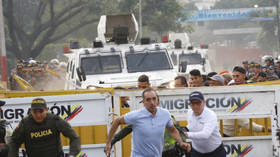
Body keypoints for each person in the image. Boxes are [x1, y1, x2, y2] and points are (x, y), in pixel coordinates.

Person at [105, 88, 190, 157]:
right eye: (148, 100)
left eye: (154, 99)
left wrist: (181, 142)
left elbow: (172, 130)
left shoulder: (165, 114)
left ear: (157, 100)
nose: (152, 103)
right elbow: (117, 121)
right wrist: (109, 142)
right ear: (143, 102)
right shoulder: (136, 116)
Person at [8, 98, 81, 157]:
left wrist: (72, 154)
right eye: (35, 112)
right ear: (31, 111)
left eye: (41, 111)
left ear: (46, 109)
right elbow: (14, 142)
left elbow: (75, 137)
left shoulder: (55, 120)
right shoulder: (25, 123)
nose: (38, 115)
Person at [185, 91, 226, 157]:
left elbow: (205, 134)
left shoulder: (211, 115)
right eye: (192, 103)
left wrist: (186, 134)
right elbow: (191, 126)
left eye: (198, 103)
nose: (195, 106)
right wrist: (184, 129)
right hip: (196, 152)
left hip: (215, 153)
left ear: (204, 102)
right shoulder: (189, 112)